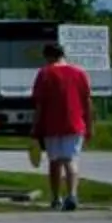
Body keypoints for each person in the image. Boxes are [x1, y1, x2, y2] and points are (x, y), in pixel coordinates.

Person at [30, 39, 94, 212]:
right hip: (74, 124)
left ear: (48, 56)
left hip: (51, 124)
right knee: (71, 161)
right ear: (63, 54)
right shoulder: (79, 73)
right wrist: (89, 125)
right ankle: (72, 195)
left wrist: (35, 128)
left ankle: (55, 197)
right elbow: (87, 101)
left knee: (54, 162)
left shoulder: (44, 73)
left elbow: (40, 104)